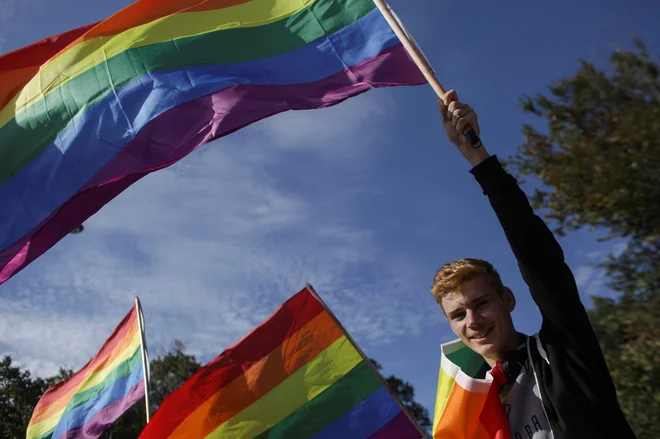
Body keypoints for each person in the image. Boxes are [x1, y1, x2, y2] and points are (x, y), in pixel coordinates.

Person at [431, 90, 636, 439]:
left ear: (507, 299)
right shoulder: (468, 411)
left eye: (481, 303)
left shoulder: (563, 351)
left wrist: (477, 157)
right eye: (458, 315)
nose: (473, 321)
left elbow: (539, 258)